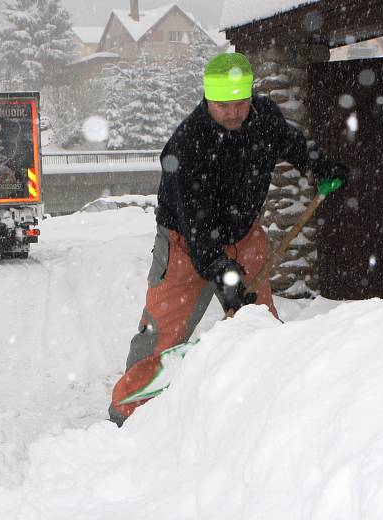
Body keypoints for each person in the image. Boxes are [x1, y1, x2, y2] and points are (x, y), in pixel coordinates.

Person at [109, 52, 349, 426]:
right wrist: (221, 271)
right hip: (185, 244)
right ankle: (125, 418)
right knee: (161, 337)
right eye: (223, 106)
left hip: (245, 235)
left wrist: (320, 165)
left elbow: (292, 143)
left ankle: (266, 410)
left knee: (259, 326)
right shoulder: (186, 146)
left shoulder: (264, 118)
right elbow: (197, 229)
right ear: (208, 100)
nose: (233, 113)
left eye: (240, 103)